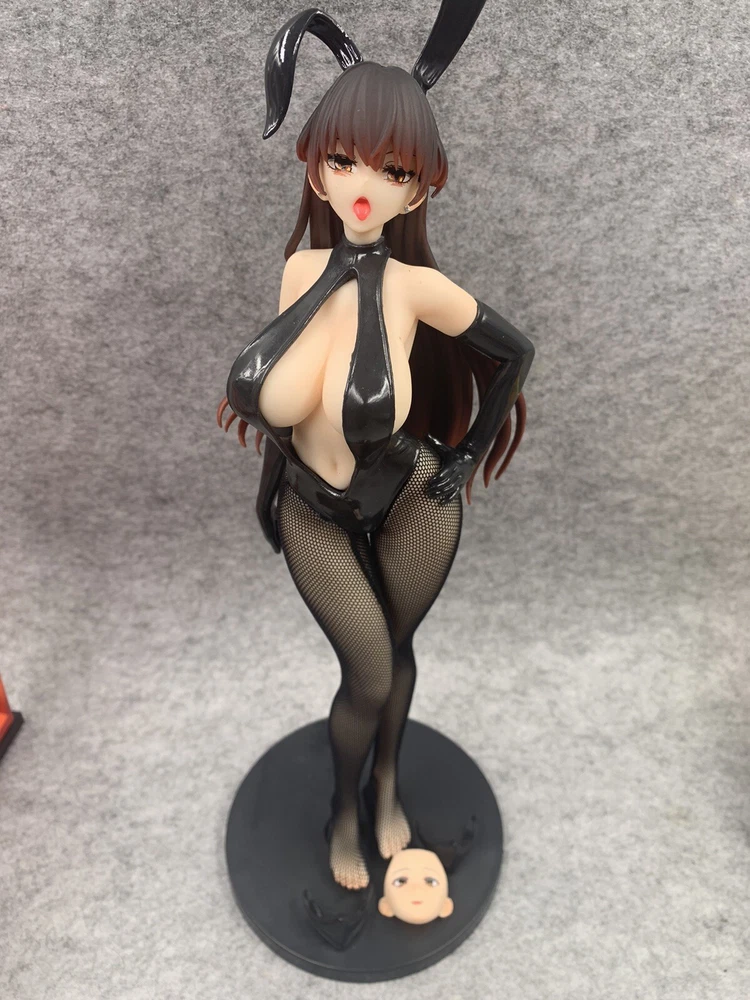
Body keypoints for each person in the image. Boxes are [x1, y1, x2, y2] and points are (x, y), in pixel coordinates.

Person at [217, 3, 535, 892]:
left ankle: (387, 783)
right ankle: (344, 812)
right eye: (344, 159)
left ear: (418, 190)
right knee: (367, 671)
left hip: (410, 498)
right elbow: (286, 394)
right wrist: (267, 470)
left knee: (395, 657)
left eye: (392, 169)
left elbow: (514, 354)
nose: (364, 184)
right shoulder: (298, 271)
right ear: (316, 165)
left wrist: (465, 458)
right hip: (314, 508)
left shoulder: (417, 287)